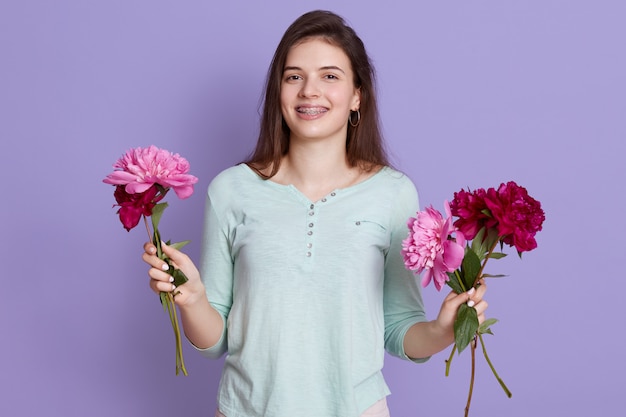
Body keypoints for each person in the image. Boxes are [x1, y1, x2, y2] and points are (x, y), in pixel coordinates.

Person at [142, 10, 487, 417]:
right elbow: (215, 341)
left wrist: (442, 331)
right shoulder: (230, 190)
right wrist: (194, 299)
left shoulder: (392, 193)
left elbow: (399, 330)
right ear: (279, 91)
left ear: (357, 95)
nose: (309, 91)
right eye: (294, 77)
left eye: (329, 76)